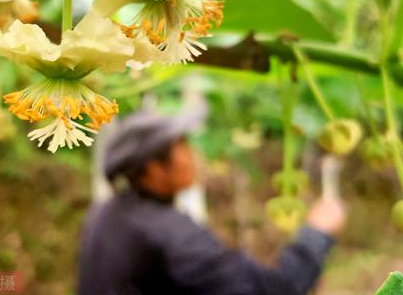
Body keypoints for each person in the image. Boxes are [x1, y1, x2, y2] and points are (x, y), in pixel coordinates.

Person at [78, 108, 347, 295]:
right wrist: (316, 233)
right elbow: (268, 291)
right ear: (153, 169)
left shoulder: (106, 214)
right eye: (182, 145)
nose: (193, 154)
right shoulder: (169, 232)